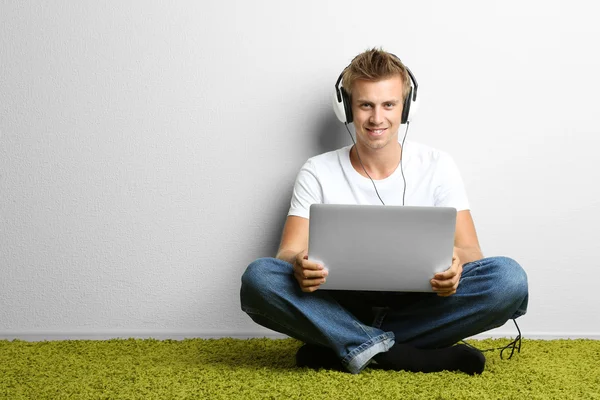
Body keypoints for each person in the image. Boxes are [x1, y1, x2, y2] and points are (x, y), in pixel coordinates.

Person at [240, 48, 529, 375]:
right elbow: (287, 252)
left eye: (388, 104)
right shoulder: (317, 170)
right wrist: (298, 263)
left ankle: (346, 345)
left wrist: (455, 263)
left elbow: (472, 251)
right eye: (366, 105)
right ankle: (401, 354)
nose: (377, 118)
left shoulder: (437, 165)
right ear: (347, 107)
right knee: (259, 279)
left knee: (509, 279)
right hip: (338, 306)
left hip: (422, 305)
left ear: (406, 107)